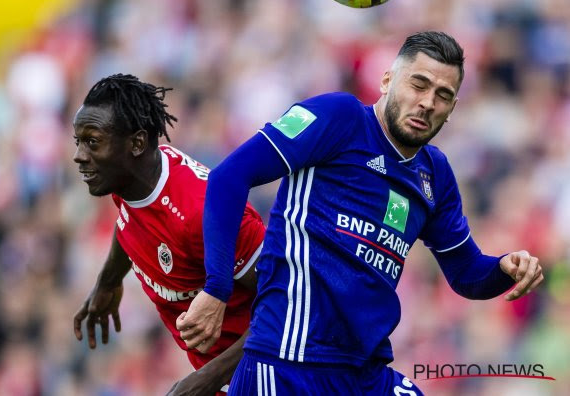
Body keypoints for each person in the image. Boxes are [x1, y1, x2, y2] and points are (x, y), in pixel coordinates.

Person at [176, 31, 544, 394]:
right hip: (289, 361)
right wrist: (217, 288)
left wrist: (503, 269)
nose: (428, 102)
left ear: (451, 111)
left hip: (364, 373)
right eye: (418, 84)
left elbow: (466, 274)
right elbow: (230, 176)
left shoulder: (436, 175)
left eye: (442, 95)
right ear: (387, 80)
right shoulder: (339, 118)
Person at [72, 74, 266, 395]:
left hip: (274, 378)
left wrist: (210, 376)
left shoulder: (200, 216)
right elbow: (129, 220)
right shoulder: (128, 179)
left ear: (136, 143)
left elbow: (290, 298)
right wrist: (108, 281)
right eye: (77, 141)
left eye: (92, 142)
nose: (79, 155)